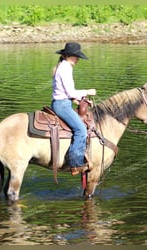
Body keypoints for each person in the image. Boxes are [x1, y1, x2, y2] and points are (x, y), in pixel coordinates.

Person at [51, 42, 96, 176]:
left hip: (63, 102)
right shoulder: (65, 69)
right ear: (69, 56)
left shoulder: (63, 67)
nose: (78, 59)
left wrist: (77, 101)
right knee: (81, 130)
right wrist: (88, 91)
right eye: (77, 56)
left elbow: (64, 92)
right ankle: (75, 164)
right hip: (62, 105)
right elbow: (70, 92)